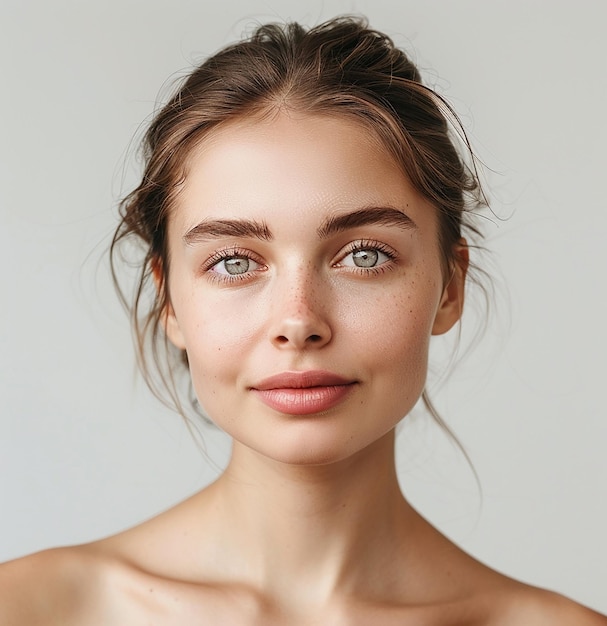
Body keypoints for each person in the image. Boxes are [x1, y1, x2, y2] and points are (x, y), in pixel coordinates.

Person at [1, 16, 605, 625]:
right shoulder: (29, 609)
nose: (299, 322)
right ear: (169, 302)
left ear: (449, 286)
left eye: (364, 256)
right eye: (234, 262)